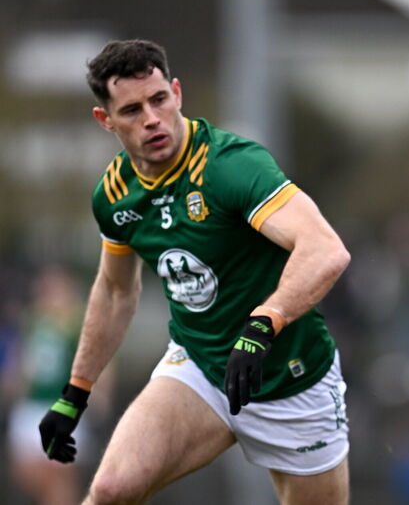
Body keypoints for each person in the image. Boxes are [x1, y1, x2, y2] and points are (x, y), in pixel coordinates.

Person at [38, 39, 351, 504]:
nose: (151, 119)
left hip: (290, 377)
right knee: (109, 490)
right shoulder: (115, 193)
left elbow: (325, 249)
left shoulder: (230, 166)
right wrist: (75, 391)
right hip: (200, 369)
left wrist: (264, 322)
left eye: (159, 100)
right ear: (105, 120)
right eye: (131, 110)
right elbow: (115, 292)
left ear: (177, 94)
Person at [9, 266, 112, 505]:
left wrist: (99, 394)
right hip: (31, 407)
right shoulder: (32, 322)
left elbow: (100, 361)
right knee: (29, 475)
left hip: (64, 409)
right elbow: (20, 363)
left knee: (60, 481)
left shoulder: (78, 326)